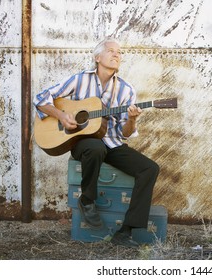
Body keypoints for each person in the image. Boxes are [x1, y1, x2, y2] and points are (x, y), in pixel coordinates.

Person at [33, 38, 159, 248]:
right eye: (111, 51)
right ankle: (87, 200)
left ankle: (126, 230)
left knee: (150, 168)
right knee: (95, 146)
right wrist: (61, 116)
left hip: (113, 143)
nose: (116, 54)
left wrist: (133, 119)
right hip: (84, 143)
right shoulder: (79, 80)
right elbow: (41, 98)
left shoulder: (126, 90)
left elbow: (123, 133)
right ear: (97, 57)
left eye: (119, 52)